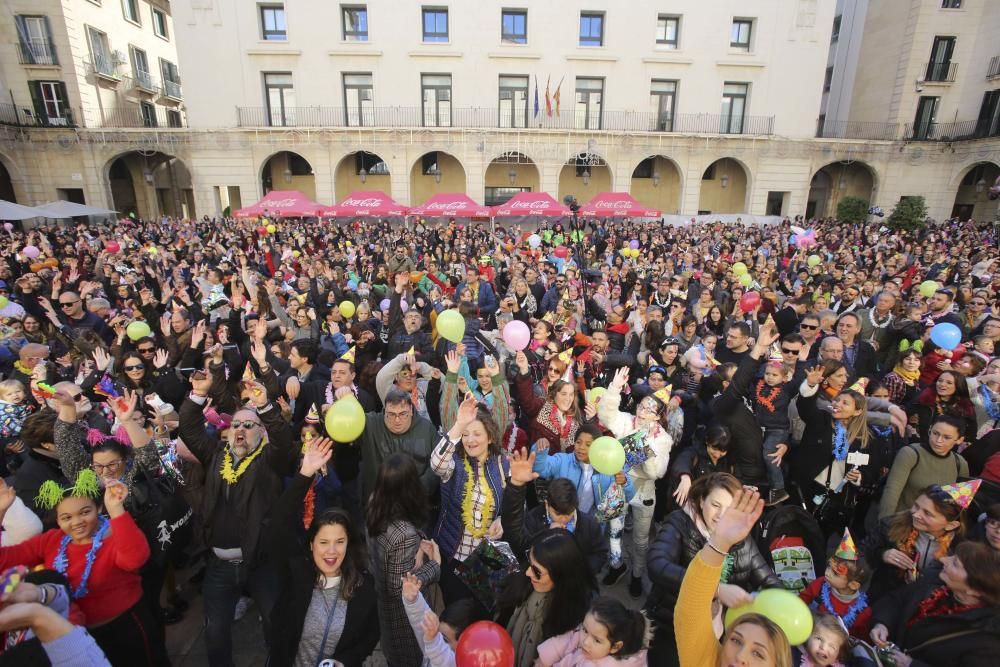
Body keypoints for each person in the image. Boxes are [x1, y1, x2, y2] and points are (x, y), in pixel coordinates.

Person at [178, 373, 295, 667]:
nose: (241, 429)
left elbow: (283, 440)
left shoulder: (270, 460)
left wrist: (265, 408)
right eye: (237, 425)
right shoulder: (216, 455)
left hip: (260, 564)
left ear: (261, 432)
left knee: (274, 624)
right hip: (219, 565)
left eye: (250, 425)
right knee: (215, 631)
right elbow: (189, 430)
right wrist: (198, 393)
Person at [0, 472, 167, 666]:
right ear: (58, 520)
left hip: (127, 627)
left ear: (98, 508)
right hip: (81, 635)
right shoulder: (51, 540)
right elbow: (4, 560)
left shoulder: (114, 533)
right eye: (66, 517)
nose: (77, 522)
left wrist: (116, 510)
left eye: (85, 512)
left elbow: (135, 559)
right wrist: (2, 513)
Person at [645, 473, 781, 666]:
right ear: (701, 501)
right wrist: (716, 589)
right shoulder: (680, 522)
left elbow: (770, 582)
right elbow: (657, 564)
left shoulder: (742, 539)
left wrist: (756, 602)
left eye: (729, 509)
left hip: (718, 632)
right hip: (669, 626)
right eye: (715, 505)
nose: (720, 516)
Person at [267, 438, 379, 667]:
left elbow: (370, 637)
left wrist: (344, 661)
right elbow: (277, 525)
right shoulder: (296, 573)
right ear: (311, 545)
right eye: (323, 542)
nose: (331, 551)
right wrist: (305, 474)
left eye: (339, 541)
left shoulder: (364, 586)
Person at [672, 487, 792, 667]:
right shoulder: (709, 662)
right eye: (736, 640)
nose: (741, 657)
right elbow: (690, 607)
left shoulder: (747, 545)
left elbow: (769, 579)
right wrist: (720, 541)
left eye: (758, 653)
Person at [598, 367, 673, 598]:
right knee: (615, 531)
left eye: (650, 410)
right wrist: (615, 387)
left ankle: (638, 575)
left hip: (644, 492)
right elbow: (605, 415)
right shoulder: (626, 422)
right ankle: (616, 565)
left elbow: (657, 473)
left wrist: (644, 449)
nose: (643, 412)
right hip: (619, 484)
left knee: (641, 539)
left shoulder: (663, 439)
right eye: (642, 406)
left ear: (658, 416)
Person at [430, 394, 509, 604]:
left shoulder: (503, 464)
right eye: (465, 435)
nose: (470, 440)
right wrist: (458, 425)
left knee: (478, 613)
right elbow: (436, 464)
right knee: (453, 613)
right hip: (453, 555)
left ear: (490, 437)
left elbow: (513, 505)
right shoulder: (454, 462)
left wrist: (502, 519)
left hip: (487, 558)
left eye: (476, 434)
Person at [869, 541, 1000, 666]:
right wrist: (882, 624)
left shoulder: (988, 641)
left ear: (975, 590)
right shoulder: (934, 581)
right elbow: (897, 599)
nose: (943, 559)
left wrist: (912, 665)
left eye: (955, 563)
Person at [367, 452, 441, 667]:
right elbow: (399, 587)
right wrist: (434, 565)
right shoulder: (404, 533)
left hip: (384, 611)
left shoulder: (375, 505)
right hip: (403, 620)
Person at [496, 529, 597, 667]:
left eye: (537, 571)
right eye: (529, 561)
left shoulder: (583, 621)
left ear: (561, 575)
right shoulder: (520, 583)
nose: (527, 572)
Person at [864, 482, 977, 602]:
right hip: (884, 599)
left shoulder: (961, 548)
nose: (916, 514)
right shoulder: (892, 524)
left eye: (927, 513)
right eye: (916, 506)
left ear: (951, 525)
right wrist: (882, 554)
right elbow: (864, 551)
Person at [503, 453, 608, 575]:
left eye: (568, 514)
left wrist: (581, 572)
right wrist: (545, 535)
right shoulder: (532, 519)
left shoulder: (588, 524)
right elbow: (517, 540)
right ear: (547, 504)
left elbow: (600, 553)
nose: (563, 519)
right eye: (557, 514)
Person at [878, 414, 970, 518]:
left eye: (947, 437)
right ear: (930, 429)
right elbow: (892, 491)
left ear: (959, 440)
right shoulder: (910, 453)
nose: (939, 440)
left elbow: (960, 504)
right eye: (935, 433)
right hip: (903, 521)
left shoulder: (960, 464)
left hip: (934, 528)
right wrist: (885, 522)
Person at [799, 529, 873, 640]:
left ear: (853, 585)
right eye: (829, 567)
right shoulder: (819, 585)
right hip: (807, 635)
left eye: (835, 573)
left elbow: (859, 641)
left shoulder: (862, 613)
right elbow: (800, 603)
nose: (827, 573)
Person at [535, 596, 650, 667]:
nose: (585, 642)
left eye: (597, 640)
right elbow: (570, 637)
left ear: (616, 647)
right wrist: (543, 661)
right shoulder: (589, 637)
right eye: (585, 630)